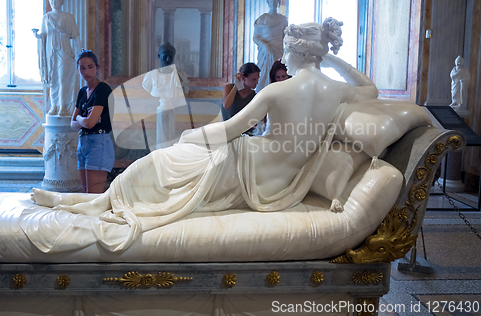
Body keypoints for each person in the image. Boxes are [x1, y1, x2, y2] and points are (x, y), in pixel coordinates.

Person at [32, 18, 378, 252]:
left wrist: (191, 138)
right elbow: (370, 88)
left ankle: (89, 202)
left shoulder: (278, 90)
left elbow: (230, 130)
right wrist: (331, 59)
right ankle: (89, 202)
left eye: (286, 50)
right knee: (159, 169)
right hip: (274, 184)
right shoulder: (338, 91)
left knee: (160, 163)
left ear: (296, 52)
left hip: (244, 165)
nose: (281, 56)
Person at [70, 50, 115, 194]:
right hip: (83, 143)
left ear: (97, 67)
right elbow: (72, 124)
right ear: (78, 69)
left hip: (98, 142)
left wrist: (79, 118)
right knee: (85, 196)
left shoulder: (102, 89)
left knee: (93, 198)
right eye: (82, 68)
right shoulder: (82, 92)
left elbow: (89, 123)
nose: (86, 71)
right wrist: (82, 120)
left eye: (90, 67)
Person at [32, 0, 82, 116]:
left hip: (64, 52)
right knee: (53, 81)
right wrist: (38, 36)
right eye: (52, 0)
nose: (54, 2)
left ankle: (63, 107)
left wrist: (80, 54)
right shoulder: (46, 17)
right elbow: (44, 35)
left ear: (61, 1)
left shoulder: (68, 17)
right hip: (51, 53)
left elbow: (76, 36)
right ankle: (54, 106)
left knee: (63, 80)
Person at [253, 0, 288, 92]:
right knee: (264, 73)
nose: (273, 3)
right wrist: (264, 45)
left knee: (278, 71)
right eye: (271, 1)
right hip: (265, 50)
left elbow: (285, 37)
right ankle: (263, 94)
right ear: (268, 3)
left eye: (275, 1)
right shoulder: (262, 19)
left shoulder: (283, 19)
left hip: (279, 49)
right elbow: (255, 37)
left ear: (279, 3)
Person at [221, 62, 260, 135]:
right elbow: (226, 105)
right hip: (228, 133)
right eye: (254, 79)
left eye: (258, 79)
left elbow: (254, 123)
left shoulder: (254, 95)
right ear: (243, 78)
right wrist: (236, 85)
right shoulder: (229, 88)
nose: (257, 82)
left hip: (246, 134)